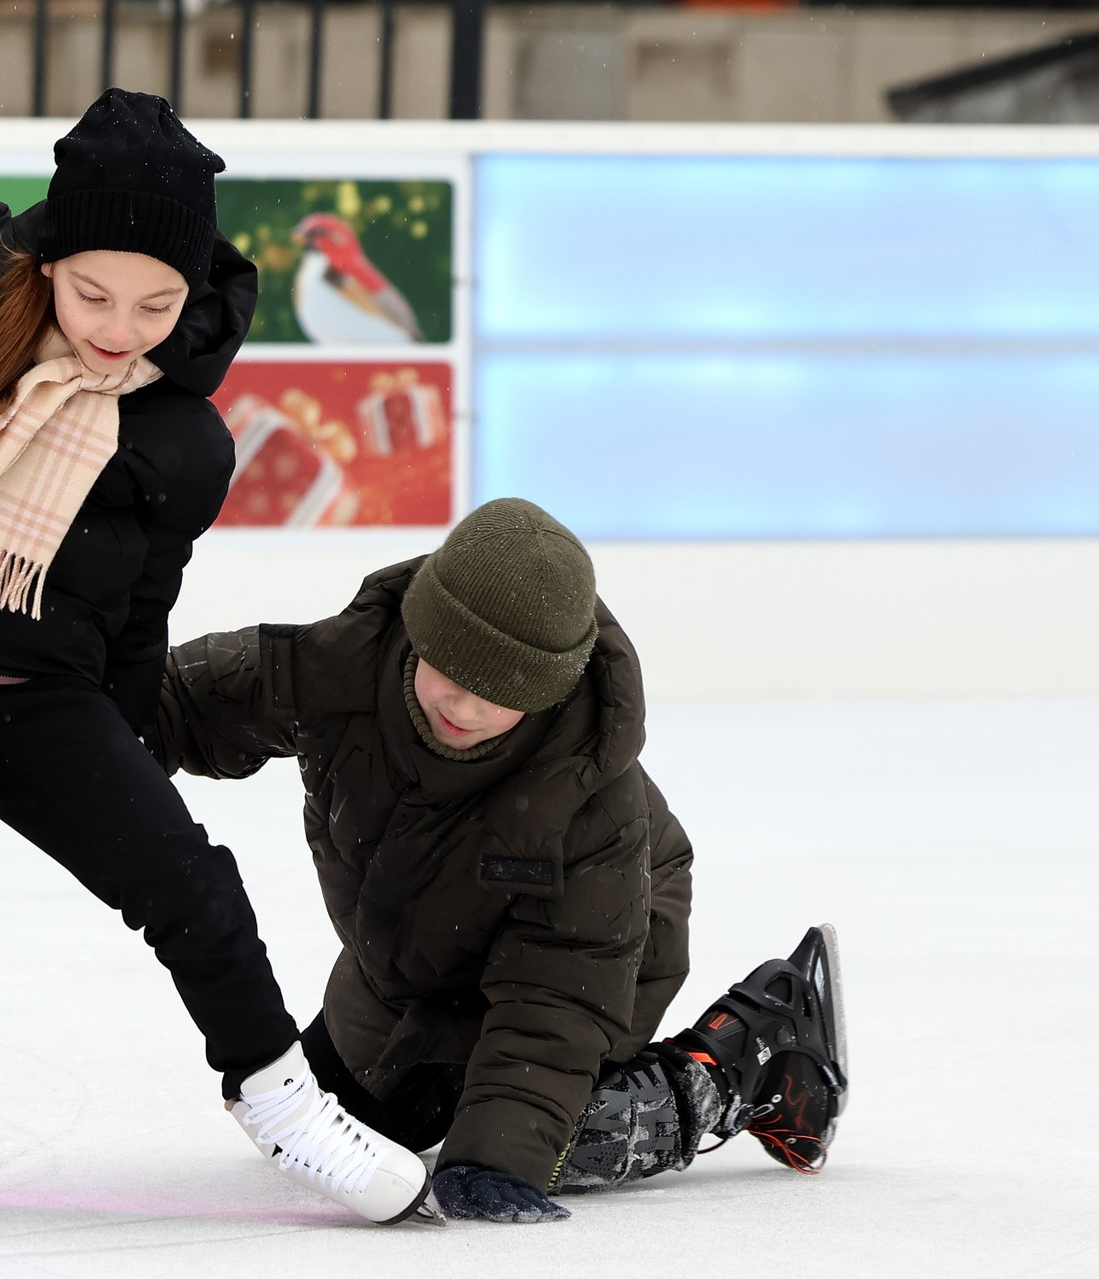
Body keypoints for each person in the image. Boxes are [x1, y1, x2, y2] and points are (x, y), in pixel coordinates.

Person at [0, 90, 434, 1225]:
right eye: (92, 295)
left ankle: (285, 1102)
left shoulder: (186, 440)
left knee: (190, 884)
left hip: (40, 693)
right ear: (49, 261)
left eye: (156, 304)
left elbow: (142, 610)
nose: (120, 328)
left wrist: (121, 755)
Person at [148, 497, 850, 1223]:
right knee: (341, 1116)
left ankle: (746, 1056)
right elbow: (187, 700)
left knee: (551, 1139)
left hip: (605, 941)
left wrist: (496, 1159)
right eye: (451, 670)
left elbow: (555, 1000)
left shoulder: (587, 806)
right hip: (421, 953)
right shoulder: (341, 668)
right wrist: (96, 743)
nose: (466, 707)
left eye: (502, 693)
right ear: (421, 631)